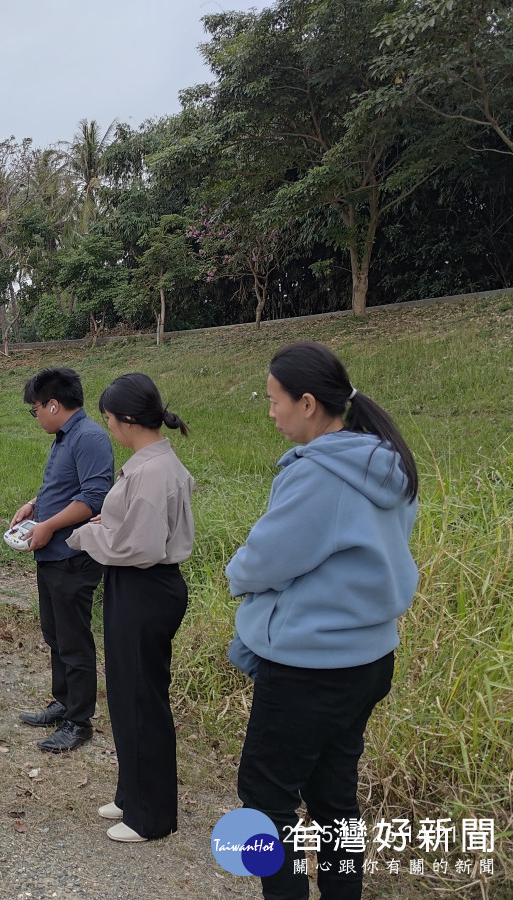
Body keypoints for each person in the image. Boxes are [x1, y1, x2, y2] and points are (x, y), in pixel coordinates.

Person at [226, 342, 419, 900]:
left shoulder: (321, 475)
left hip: (309, 668)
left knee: (265, 799)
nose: (270, 412)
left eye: (273, 400)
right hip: (367, 658)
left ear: (308, 403)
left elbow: (265, 559)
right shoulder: (385, 461)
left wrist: (238, 576)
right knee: (335, 799)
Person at [66, 373, 193, 843]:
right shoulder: (150, 462)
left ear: (127, 420)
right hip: (137, 583)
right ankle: (131, 792)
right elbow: (134, 528)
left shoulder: (152, 469)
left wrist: (86, 534)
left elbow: (137, 545)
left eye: (109, 419)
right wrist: (108, 523)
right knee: (125, 693)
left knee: (141, 699)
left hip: (145, 584)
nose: (109, 428)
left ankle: (151, 816)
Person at [10, 367, 113, 753]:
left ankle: (79, 721)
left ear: (54, 404)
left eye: (35, 408)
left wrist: (49, 526)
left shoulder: (89, 438)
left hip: (73, 555)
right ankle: (63, 701)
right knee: (55, 634)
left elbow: (94, 499)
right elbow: (64, 487)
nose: (35, 416)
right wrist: (33, 506)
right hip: (50, 553)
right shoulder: (63, 439)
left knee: (74, 640)